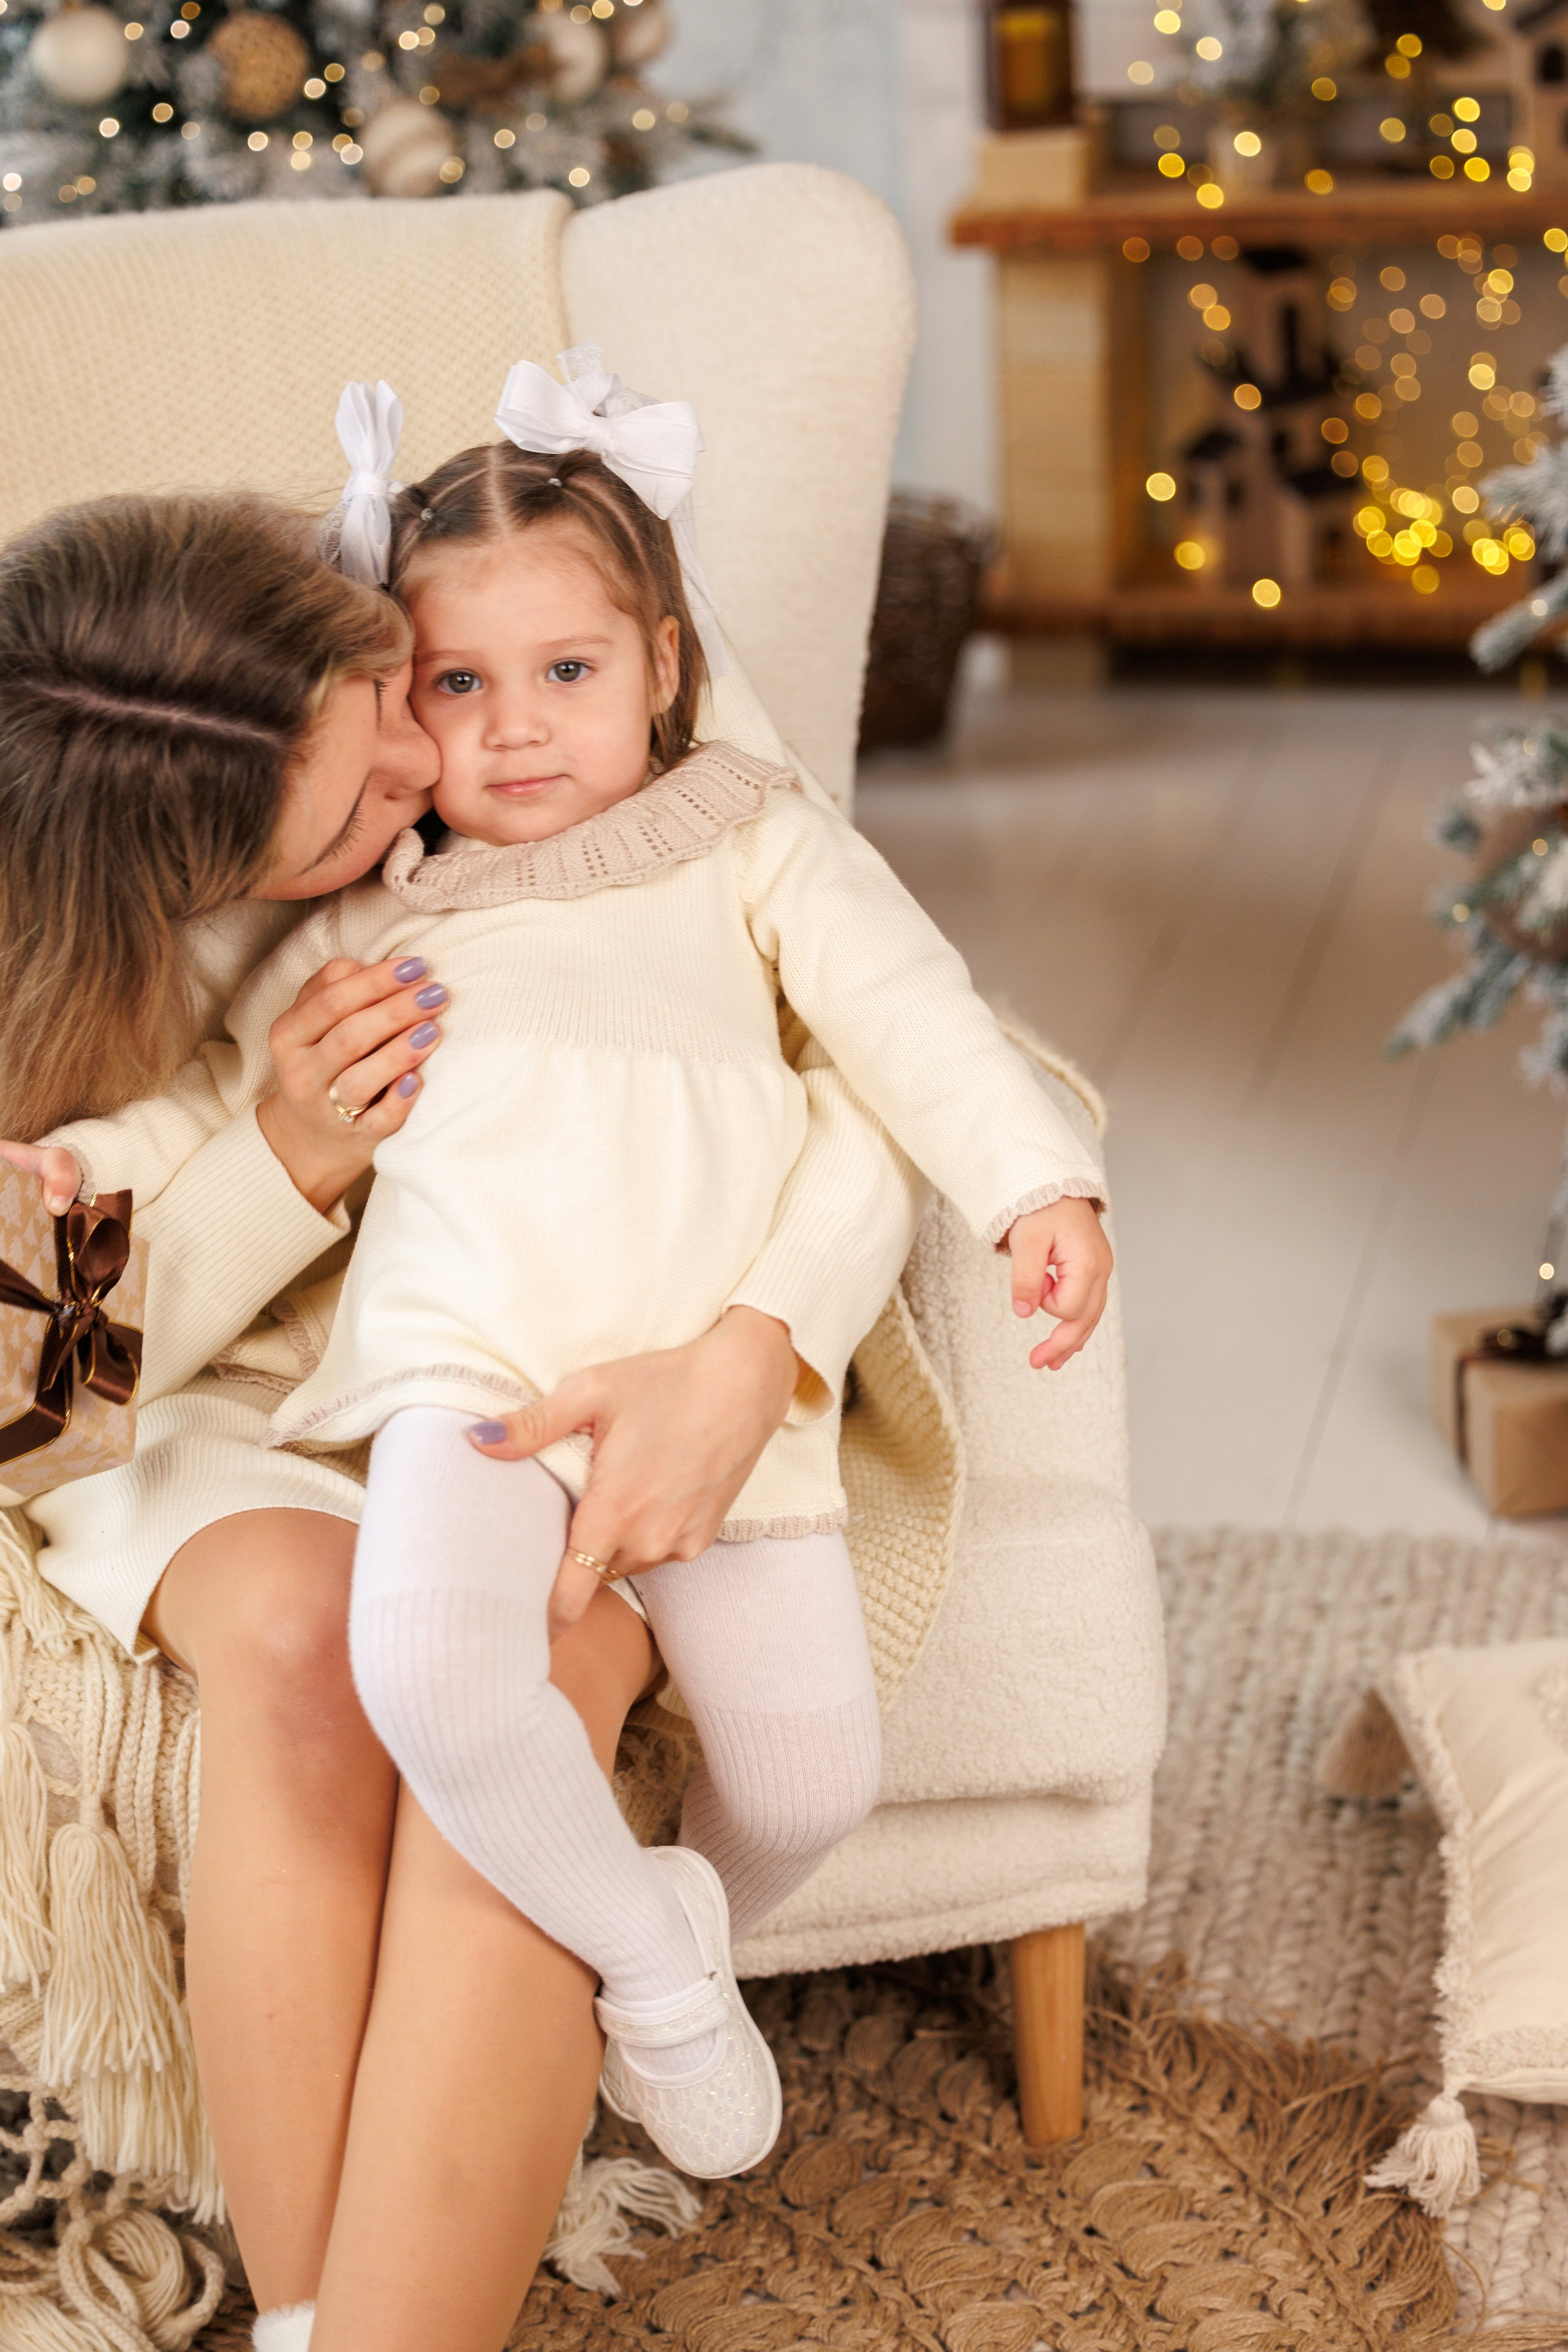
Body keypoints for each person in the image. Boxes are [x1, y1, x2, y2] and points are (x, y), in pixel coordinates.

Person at [45, 369, 1114, 2290]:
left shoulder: (653, 733)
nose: (457, 758)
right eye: (429, 715)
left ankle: (625, 2008)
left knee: (660, 1713)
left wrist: (787, 1326)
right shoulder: (310, 912)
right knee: (363, 1660)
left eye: (410, 704)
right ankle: (326, 2295)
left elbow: (882, 1032)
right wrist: (244, 1157)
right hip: (391, 1366)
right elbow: (144, 1203)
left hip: (648, 1346)